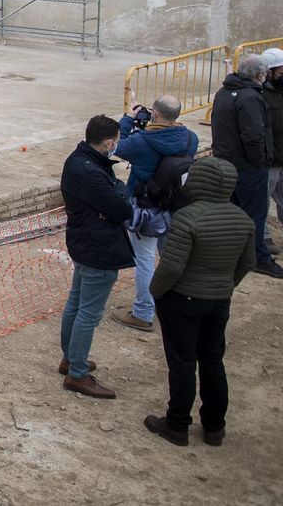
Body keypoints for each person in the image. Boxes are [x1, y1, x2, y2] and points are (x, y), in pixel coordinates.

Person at [143, 157, 254, 447]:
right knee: (213, 360)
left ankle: (177, 424)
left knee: (182, 364)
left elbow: (172, 267)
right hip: (219, 300)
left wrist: (155, 291)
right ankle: (214, 426)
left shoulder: (188, 218)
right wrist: (226, 286)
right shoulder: (243, 219)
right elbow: (248, 262)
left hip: (183, 300)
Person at [59, 114, 133, 398]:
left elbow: (113, 200)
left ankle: (71, 358)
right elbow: (122, 208)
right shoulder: (90, 171)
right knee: (88, 312)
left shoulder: (80, 159)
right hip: (98, 247)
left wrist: (113, 196)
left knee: (76, 304)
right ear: (110, 142)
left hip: (85, 241)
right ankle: (77, 372)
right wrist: (120, 193)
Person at [111, 95, 198, 332]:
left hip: (147, 210)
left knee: (145, 261)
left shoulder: (143, 141)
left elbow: (114, 146)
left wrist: (128, 119)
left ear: (156, 114)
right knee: (172, 258)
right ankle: (174, 306)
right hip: (176, 207)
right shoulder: (191, 138)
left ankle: (143, 312)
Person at [211, 53, 281, 277]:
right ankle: (259, 259)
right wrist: (260, 161)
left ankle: (232, 255)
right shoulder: (250, 97)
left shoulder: (224, 92)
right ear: (260, 74)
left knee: (234, 214)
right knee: (255, 216)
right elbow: (253, 135)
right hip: (248, 168)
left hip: (227, 164)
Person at [261, 48, 283, 249]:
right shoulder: (260, 95)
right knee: (263, 199)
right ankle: (264, 236)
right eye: (280, 71)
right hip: (271, 157)